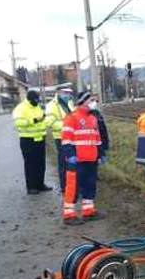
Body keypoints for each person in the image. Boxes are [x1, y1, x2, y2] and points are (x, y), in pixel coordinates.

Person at [61, 92, 105, 225]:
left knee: (90, 186)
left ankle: (88, 211)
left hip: (91, 159)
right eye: (91, 100)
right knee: (73, 187)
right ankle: (69, 215)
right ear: (83, 101)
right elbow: (66, 140)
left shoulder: (93, 118)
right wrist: (70, 155)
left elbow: (97, 139)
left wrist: (101, 154)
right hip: (77, 160)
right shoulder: (71, 118)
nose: (94, 102)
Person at [12, 90, 52, 194]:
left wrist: (45, 122)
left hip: (40, 139)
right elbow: (17, 123)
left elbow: (42, 121)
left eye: (38, 100)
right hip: (28, 140)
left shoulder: (37, 107)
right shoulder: (20, 108)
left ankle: (40, 184)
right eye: (35, 100)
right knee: (31, 164)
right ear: (29, 99)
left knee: (40, 164)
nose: (37, 102)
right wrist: (34, 120)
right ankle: (31, 187)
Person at [46, 87, 75, 192]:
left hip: (72, 136)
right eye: (66, 93)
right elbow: (50, 122)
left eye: (69, 93)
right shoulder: (52, 105)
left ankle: (73, 185)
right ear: (59, 93)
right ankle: (64, 186)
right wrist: (67, 125)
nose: (68, 95)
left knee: (72, 162)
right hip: (61, 137)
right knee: (64, 162)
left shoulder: (70, 103)